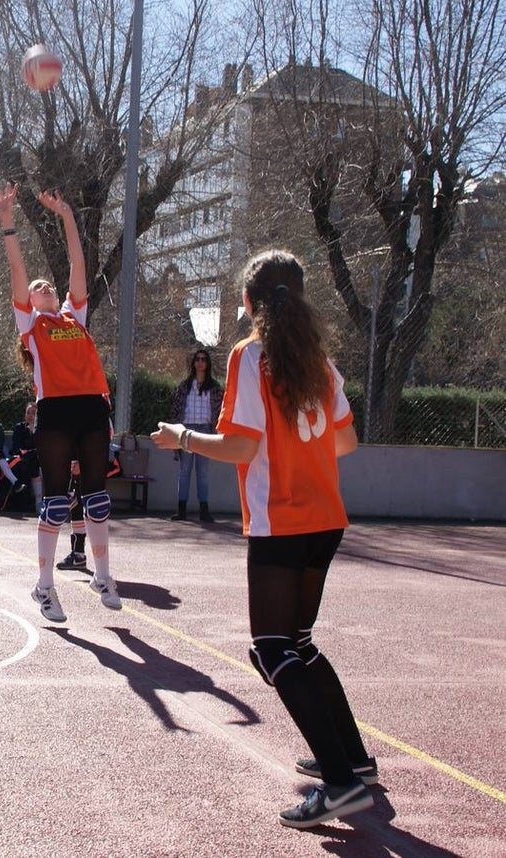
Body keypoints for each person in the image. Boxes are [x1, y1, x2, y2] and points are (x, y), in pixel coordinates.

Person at [151, 249, 375, 829]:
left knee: (272, 648)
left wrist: (182, 437)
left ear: (249, 304)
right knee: (299, 639)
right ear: (299, 298)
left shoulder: (252, 357)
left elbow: (240, 449)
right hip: (326, 517)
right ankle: (352, 758)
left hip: (282, 518)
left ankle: (343, 784)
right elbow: (346, 444)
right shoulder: (320, 362)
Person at [0, 182, 121, 621]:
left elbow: (77, 263)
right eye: (37, 286)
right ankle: (44, 587)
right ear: (29, 302)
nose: (43, 285)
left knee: (97, 498)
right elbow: (16, 268)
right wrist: (8, 221)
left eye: (47, 284)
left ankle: (102, 575)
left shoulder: (75, 315)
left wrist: (67, 214)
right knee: (53, 503)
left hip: (90, 407)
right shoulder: (32, 326)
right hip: (56, 413)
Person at [168, 348, 224, 522]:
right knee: (184, 470)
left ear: (207, 363)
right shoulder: (184, 386)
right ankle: (181, 510)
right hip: (186, 430)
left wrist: (217, 430)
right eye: (197, 359)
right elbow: (176, 409)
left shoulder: (214, 387)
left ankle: (204, 510)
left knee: (203, 471)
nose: (200, 362)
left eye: (203, 359)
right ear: (193, 363)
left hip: (206, 429)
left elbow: (220, 409)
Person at [9, 402, 43, 512]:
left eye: (34, 413)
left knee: (34, 463)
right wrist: (29, 452)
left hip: (35, 460)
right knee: (29, 463)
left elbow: (41, 449)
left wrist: (33, 433)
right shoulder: (19, 428)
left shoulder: (41, 430)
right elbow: (16, 448)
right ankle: (27, 501)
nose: (30, 415)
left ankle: (38, 503)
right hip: (21, 460)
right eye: (28, 412)